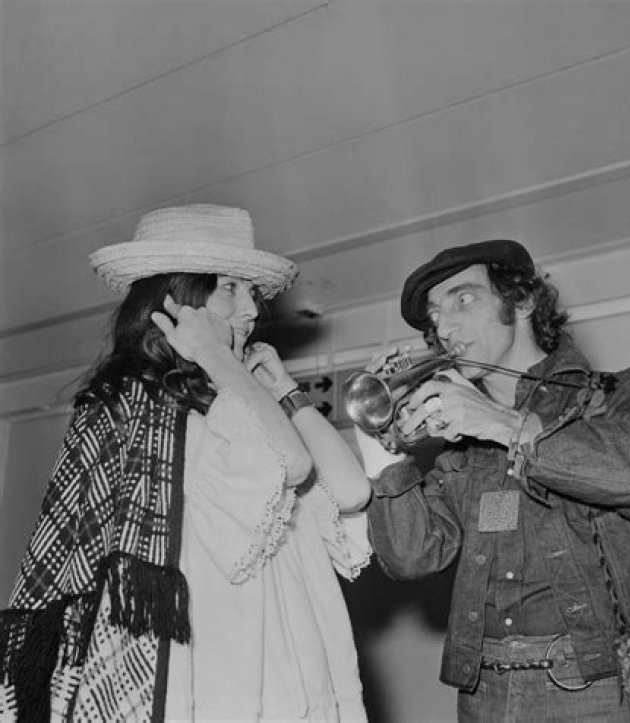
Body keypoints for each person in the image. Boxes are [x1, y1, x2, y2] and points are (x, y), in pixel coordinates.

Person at [0, 204, 372, 722]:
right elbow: (288, 463)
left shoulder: (244, 403)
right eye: (231, 288)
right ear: (178, 302)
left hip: (291, 659)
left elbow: (352, 491)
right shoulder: (135, 404)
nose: (252, 310)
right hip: (216, 664)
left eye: (253, 292)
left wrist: (285, 389)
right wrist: (217, 359)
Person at [353, 239, 630, 722]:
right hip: (485, 692)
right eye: (434, 314)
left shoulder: (616, 393)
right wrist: (381, 448)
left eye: (463, 299)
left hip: (603, 687)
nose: (443, 327)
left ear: (522, 300)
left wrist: (503, 424)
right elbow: (411, 556)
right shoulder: (459, 447)